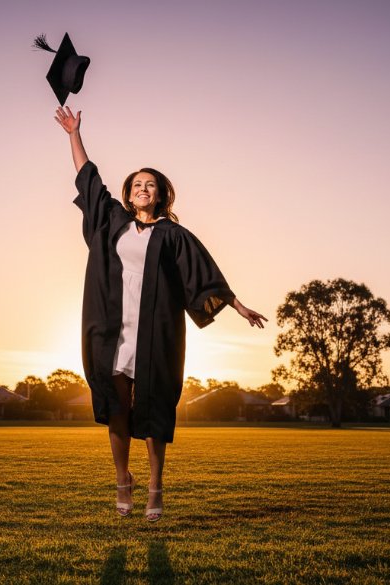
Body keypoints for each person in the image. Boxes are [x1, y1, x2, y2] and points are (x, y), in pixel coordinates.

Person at [55, 106, 267, 522]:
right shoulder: (112, 220)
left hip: (155, 333)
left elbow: (204, 274)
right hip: (111, 330)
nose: (143, 189)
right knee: (115, 407)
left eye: (150, 185)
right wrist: (73, 135)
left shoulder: (174, 235)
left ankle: (155, 486)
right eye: (137, 184)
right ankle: (122, 480)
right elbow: (89, 181)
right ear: (128, 192)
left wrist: (238, 306)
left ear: (161, 194)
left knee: (153, 411)